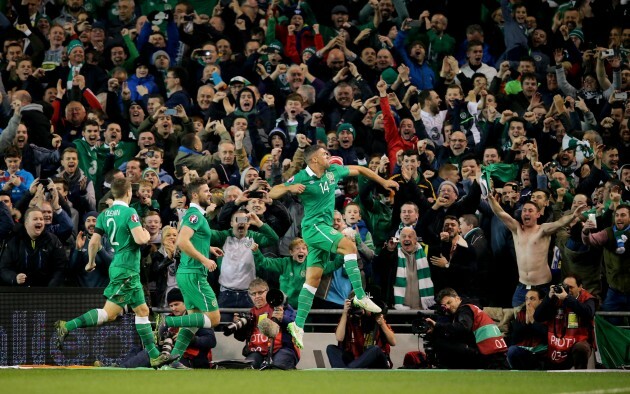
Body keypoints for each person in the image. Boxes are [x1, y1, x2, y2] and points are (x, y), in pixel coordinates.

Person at [269, 145, 399, 349]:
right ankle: (361, 296)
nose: (328, 156)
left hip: (323, 229)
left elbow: (361, 170)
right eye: (324, 154)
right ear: (313, 160)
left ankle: (298, 325)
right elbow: (273, 191)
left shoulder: (332, 172)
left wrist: (383, 181)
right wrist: (289, 188)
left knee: (312, 279)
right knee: (349, 246)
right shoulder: (302, 176)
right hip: (314, 228)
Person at [54, 178, 172, 368]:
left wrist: (90, 262)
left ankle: (154, 355)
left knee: (142, 311)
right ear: (128, 193)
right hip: (126, 268)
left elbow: (93, 242)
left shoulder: (104, 214)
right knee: (109, 314)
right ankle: (66, 326)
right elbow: (141, 239)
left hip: (121, 266)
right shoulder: (130, 212)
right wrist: (144, 231)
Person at [160, 178, 221, 368]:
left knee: (193, 323)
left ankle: (174, 359)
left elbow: (190, 240)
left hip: (188, 272)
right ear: (195, 195)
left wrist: (208, 249)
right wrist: (204, 260)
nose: (209, 193)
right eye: (206, 191)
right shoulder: (194, 215)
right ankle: (166, 322)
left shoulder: (195, 216)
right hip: (194, 273)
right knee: (213, 319)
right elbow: (182, 242)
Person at [487, 193, 588, 307]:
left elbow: (560, 223)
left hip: (542, 287)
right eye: (524, 210)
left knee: (542, 322)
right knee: (519, 322)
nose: (526, 213)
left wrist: (574, 215)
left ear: (538, 214)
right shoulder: (517, 229)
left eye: (530, 211)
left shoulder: (543, 230)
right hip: (522, 287)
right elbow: (500, 213)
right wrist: (490, 198)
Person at [425, 288, 508, 369]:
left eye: (449, 302)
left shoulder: (465, 309)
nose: (448, 307)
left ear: (457, 298)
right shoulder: (472, 308)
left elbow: (463, 328)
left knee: (441, 343)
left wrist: (437, 326)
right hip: (496, 354)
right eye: (445, 306)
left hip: (487, 356)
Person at [232, 278, 300, 370]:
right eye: (253, 294)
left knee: (277, 367)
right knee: (248, 368)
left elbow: (297, 325)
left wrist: (283, 318)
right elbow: (240, 337)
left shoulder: (279, 305)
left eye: (260, 293)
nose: (257, 296)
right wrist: (238, 326)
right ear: (249, 295)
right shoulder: (250, 313)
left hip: (282, 349)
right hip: (257, 352)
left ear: (267, 292)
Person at [534, 275, 596, 369]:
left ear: (580, 287)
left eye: (571, 287)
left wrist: (567, 298)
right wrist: (549, 297)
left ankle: (580, 377)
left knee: (581, 348)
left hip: (578, 342)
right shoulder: (556, 298)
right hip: (557, 343)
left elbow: (588, 313)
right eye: (566, 286)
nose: (568, 289)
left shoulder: (587, 298)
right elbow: (538, 317)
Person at [0, 207, 66, 287]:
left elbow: (60, 267)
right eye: (35, 219)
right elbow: (4, 268)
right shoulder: (14, 241)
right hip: (20, 293)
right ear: (26, 223)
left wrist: (50, 288)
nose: (39, 221)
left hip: (46, 293)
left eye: (41, 219)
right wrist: (14, 277)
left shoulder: (53, 241)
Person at [326, 294, 395, 369]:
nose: (362, 309)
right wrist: (345, 312)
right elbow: (339, 338)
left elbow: (393, 342)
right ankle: (343, 373)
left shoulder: (378, 319)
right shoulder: (350, 320)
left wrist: (382, 324)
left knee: (375, 349)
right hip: (356, 360)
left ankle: (349, 370)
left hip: (376, 363)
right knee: (331, 349)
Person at [506, 289, 548, 370]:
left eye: (532, 299)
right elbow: (514, 339)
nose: (528, 302)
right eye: (526, 299)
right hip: (524, 351)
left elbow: (547, 337)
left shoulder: (547, 314)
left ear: (541, 301)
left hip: (541, 353)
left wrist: (533, 321)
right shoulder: (521, 314)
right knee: (512, 350)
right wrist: (526, 323)